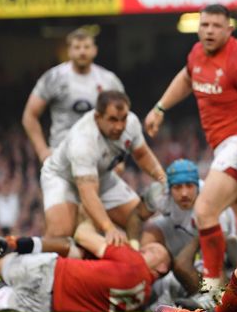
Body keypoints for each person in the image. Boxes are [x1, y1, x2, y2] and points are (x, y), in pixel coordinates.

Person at [144, 4, 237, 293]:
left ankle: (211, 291)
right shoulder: (197, 54)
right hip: (228, 146)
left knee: (204, 210)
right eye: (205, 25)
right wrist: (160, 108)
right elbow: (187, 78)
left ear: (229, 30)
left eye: (216, 25)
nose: (209, 30)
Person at [40, 90, 167, 244]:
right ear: (97, 117)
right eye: (113, 119)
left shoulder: (131, 123)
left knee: (140, 224)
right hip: (62, 178)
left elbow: (142, 155)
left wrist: (163, 179)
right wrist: (108, 228)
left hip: (101, 176)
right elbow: (88, 194)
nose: (120, 126)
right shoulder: (83, 140)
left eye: (123, 119)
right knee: (60, 237)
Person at [129, 159, 237, 307]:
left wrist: (215, 293)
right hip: (183, 234)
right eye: (177, 187)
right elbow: (136, 215)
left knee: (185, 265)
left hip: (220, 251)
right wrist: (133, 246)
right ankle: (139, 278)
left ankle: (212, 296)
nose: (184, 193)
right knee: (152, 229)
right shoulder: (159, 193)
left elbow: (217, 258)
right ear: (169, 189)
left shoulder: (211, 201)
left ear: (197, 186)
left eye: (189, 186)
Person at [0, 221, 171, 312]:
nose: (144, 248)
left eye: (153, 251)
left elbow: (82, 235)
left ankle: (16, 245)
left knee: (0, 262)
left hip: (49, 274)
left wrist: (90, 220)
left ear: (162, 267)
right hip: (48, 305)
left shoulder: (134, 261)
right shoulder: (143, 297)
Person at [23, 28, 124, 163]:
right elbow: (29, 116)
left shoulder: (109, 80)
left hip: (99, 158)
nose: (82, 51)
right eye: (77, 47)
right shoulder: (53, 78)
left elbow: (123, 119)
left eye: (86, 47)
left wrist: (119, 157)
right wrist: (42, 151)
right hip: (61, 157)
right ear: (69, 51)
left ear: (95, 50)